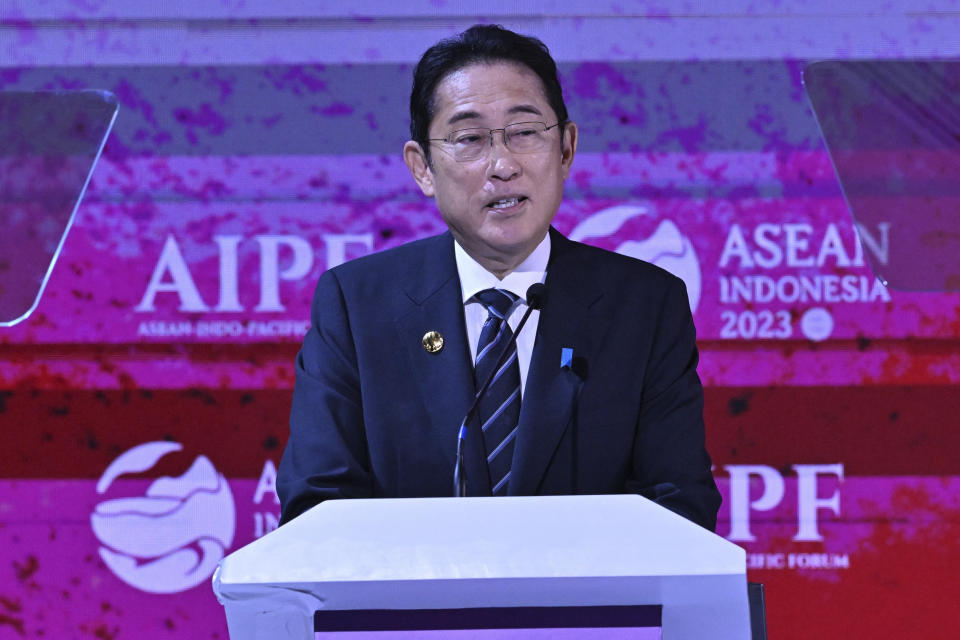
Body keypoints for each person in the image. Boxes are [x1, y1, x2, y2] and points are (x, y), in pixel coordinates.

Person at [277, 24, 721, 530]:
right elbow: (317, 507)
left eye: (525, 132)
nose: (502, 164)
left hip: (590, 609)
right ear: (422, 168)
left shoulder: (644, 305)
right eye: (469, 139)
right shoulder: (358, 306)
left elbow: (678, 506)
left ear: (566, 149)